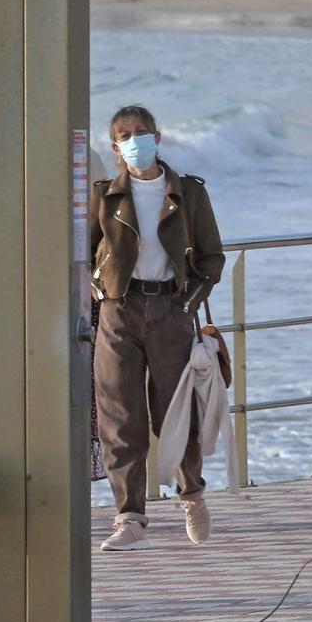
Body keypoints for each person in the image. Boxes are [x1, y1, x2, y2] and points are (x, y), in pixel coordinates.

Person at [88, 105, 225, 551]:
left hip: (171, 308)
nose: (135, 141)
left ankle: (191, 494)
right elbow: (85, 251)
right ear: (114, 146)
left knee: (176, 411)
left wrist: (186, 302)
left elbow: (211, 258)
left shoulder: (188, 193)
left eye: (141, 132)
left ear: (158, 137)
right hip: (118, 312)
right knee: (119, 415)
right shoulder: (104, 195)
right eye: (125, 135)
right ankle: (129, 516)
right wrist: (98, 289)